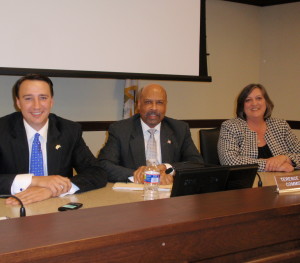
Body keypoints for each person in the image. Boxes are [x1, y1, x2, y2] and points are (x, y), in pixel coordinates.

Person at [0, 74, 107, 205]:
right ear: (18, 103)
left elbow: (97, 172)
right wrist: (36, 181)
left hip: (55, 206)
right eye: (28, 98)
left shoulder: (69, 131)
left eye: (43, 98)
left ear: (51, 101)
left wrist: (54, 189)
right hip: (11, 206)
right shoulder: (2, 130)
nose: (36, 106)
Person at [97, 83, 203, 185]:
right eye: (148, 102)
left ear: (166, 105)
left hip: (168, 193)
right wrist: (137, 175)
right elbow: (103, 164)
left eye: (159, 102)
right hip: (133, 194)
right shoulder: (120, 130)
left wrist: (168, 168)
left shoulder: (179, 129)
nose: (154, 108)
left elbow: (197, 163)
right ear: (139, 104)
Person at [218, 83, 300, 172]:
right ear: (242, 105)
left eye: (259, 98)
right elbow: (229, 161)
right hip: (248, 184)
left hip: (282, 183)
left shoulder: (280, 125)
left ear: (266, 102)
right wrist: (271, 165)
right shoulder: (231, 126)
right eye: (248, 100)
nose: (254, 103)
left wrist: (285, 158)